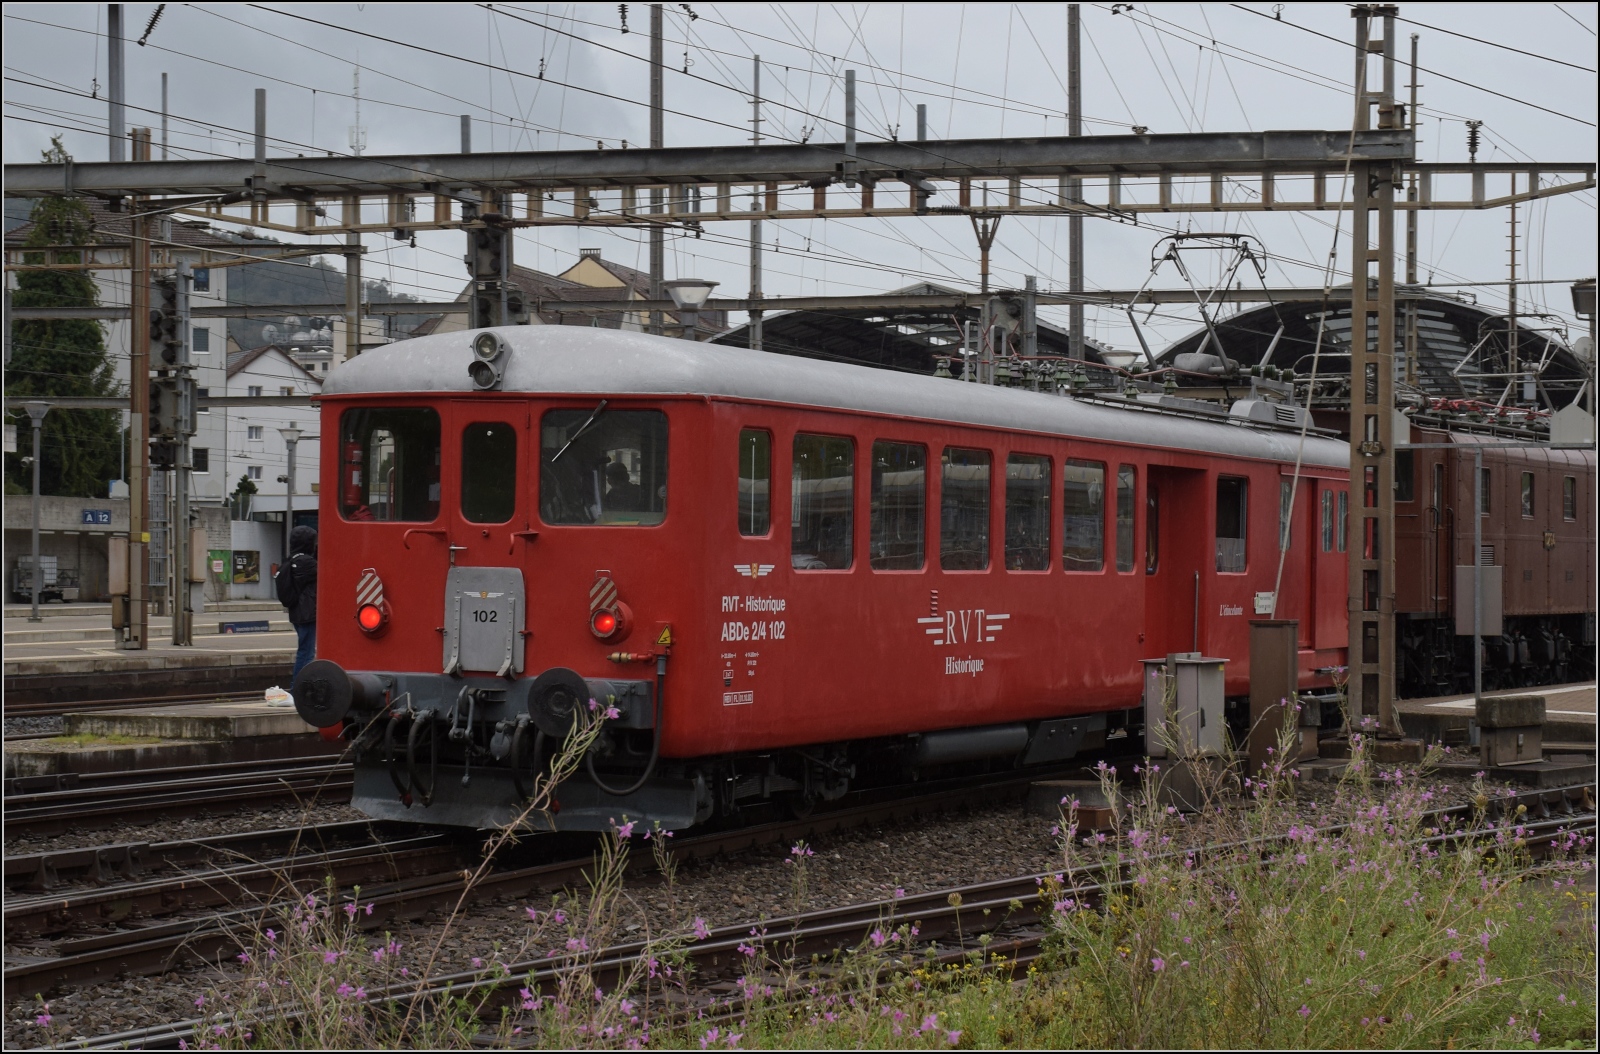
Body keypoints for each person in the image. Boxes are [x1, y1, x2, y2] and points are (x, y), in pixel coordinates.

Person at [279, 524, 319, 680]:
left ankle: (298, 686)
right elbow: (326, 571)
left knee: (304, 651)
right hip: (307, 614)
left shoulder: (292, 559)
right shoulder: (306, 562)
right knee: (306, 653)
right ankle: (299, 687)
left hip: (297, 613)